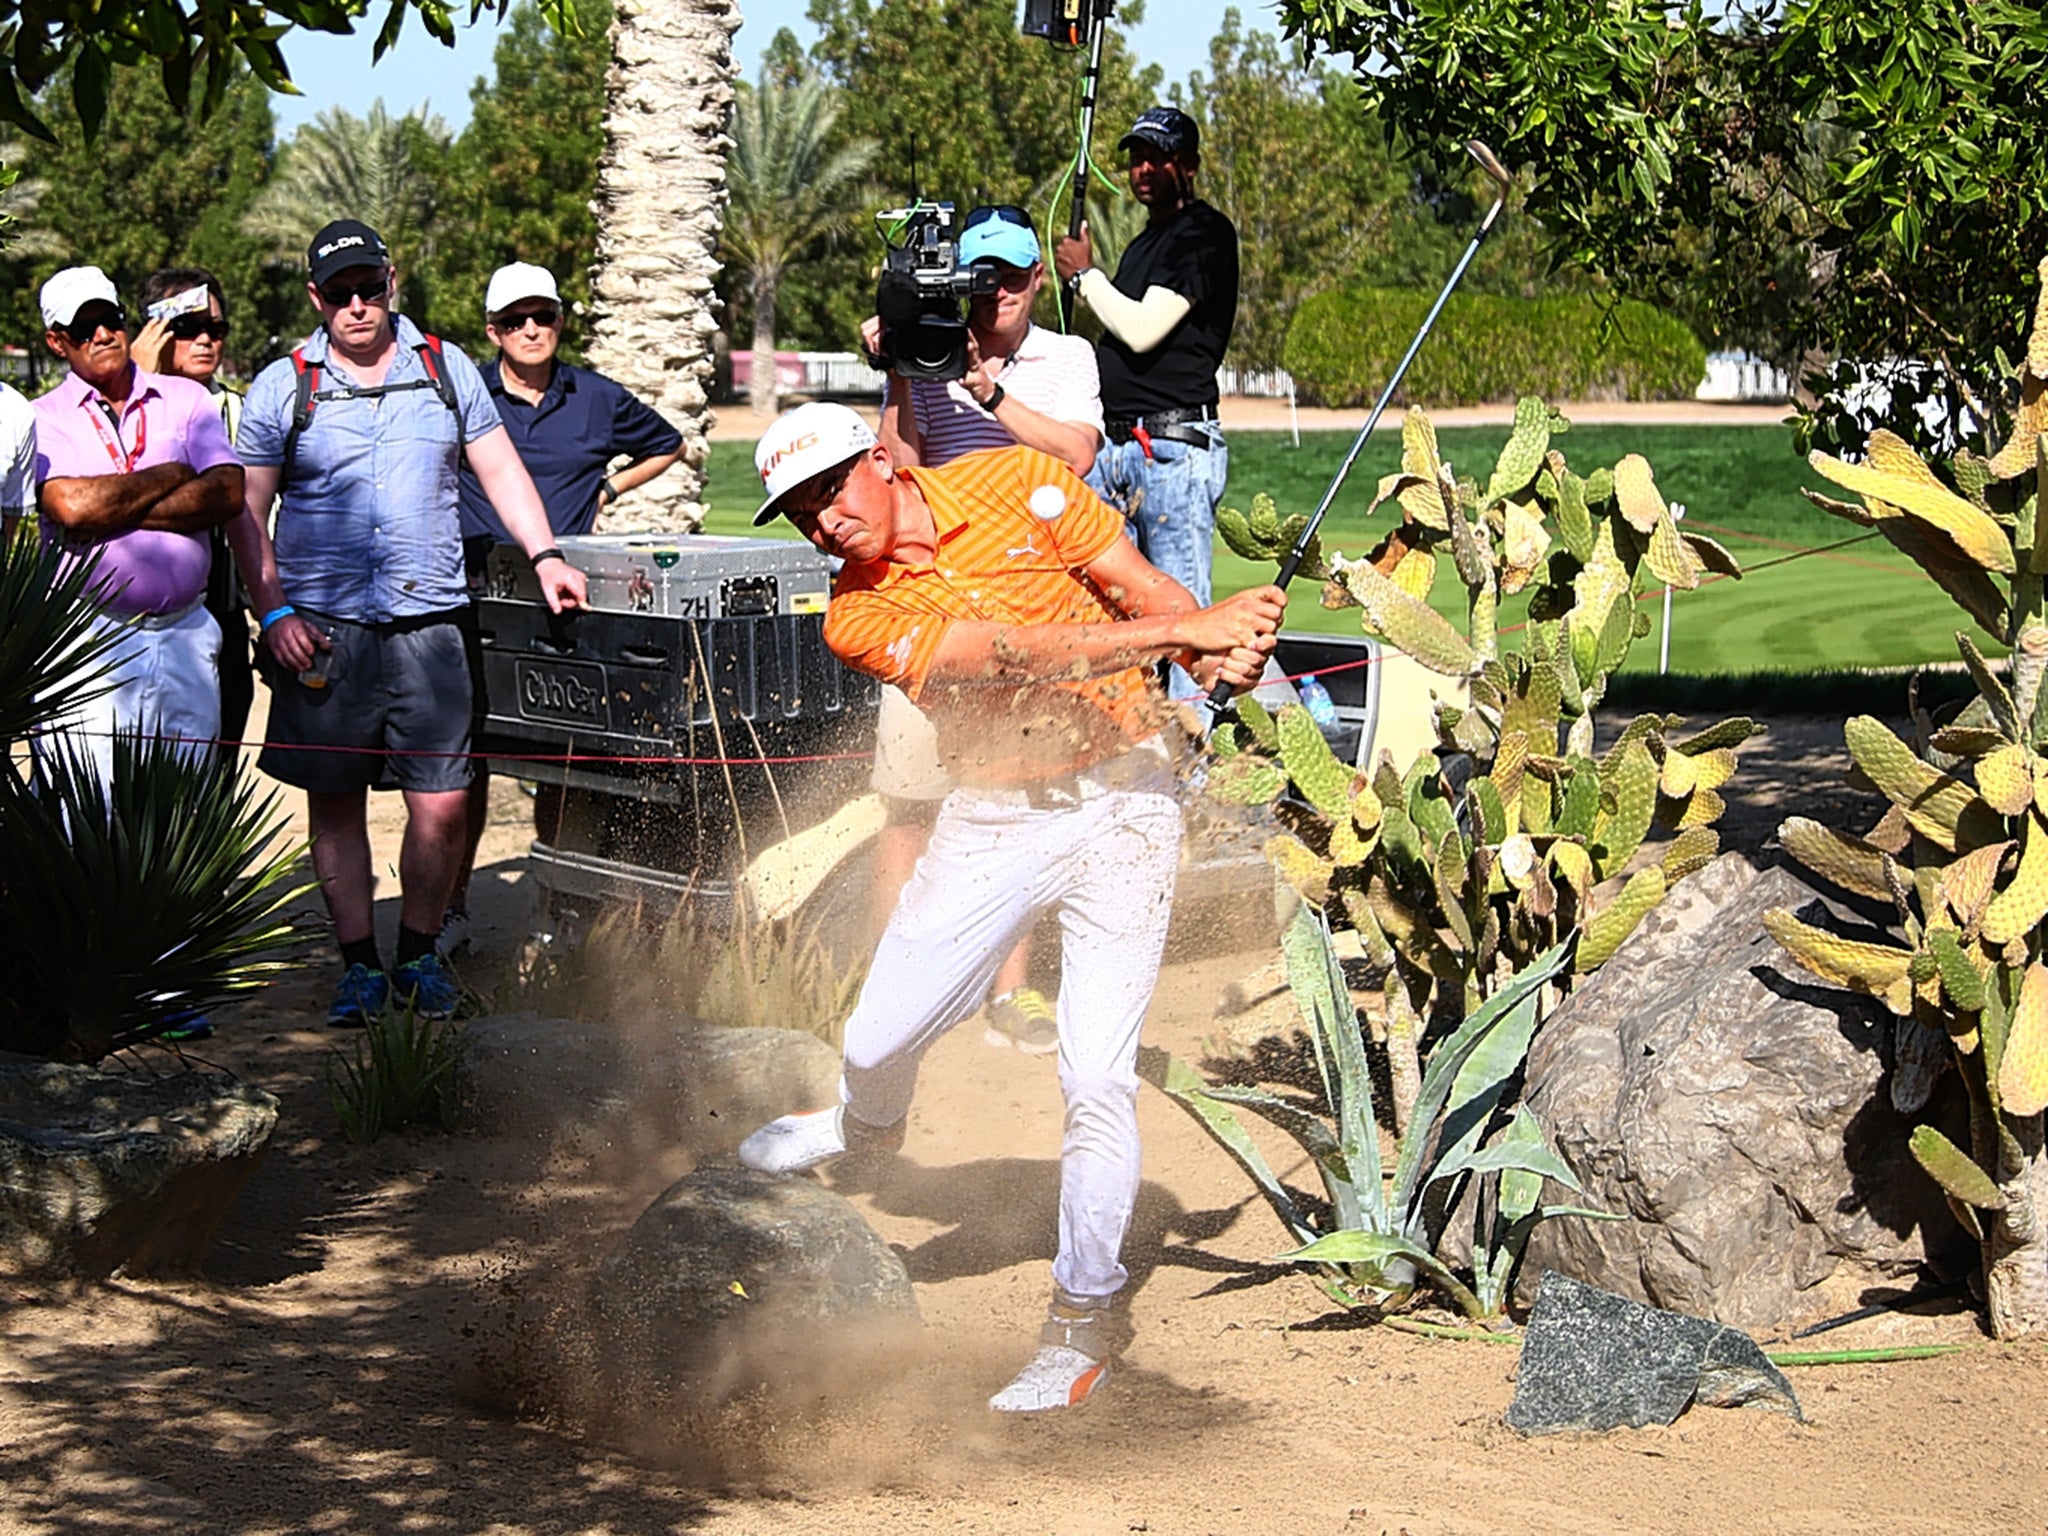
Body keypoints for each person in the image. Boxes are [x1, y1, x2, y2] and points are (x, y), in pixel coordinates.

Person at [736, 401, 1285, 1413]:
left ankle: (1080, 1318)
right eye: (799, 513)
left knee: (1095, 1076)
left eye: (827, 491)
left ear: (881, 459)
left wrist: (1218, 654)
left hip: (1127, 800)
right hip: (992, 820)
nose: (821, 522)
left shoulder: (1006, 482)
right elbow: (1003, 654)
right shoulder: (854, 616)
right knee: (873, 1040)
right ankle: (865, 1130)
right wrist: (1182, 630)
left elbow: (1135, 587)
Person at [225, 221, 588, 1028]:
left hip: (430, 622)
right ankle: (359, 964)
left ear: (391, 280)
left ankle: (420, 954)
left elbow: (499, 469)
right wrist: (273, 609)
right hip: (322, 631)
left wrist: (547, 555)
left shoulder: (445, 367)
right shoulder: (284, 384)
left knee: (444, 802)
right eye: (339, 293)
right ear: (316, 298)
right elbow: (246, 513)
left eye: (369, 287)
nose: (357, 306)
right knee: (336, 798)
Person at [863, 205, 1107, 1053]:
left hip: (1030, 608)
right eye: (980, 277)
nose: (994, 293)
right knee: (910, 805)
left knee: (1020, 796)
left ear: (1037, 277)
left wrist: (986, 388)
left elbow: (1073, 457)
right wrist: (902, 366)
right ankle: (898, 987)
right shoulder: (927, 347)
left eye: (1009, 276)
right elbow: (896, 471)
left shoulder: (1065, 356)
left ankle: (1010, 992)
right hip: (935, 604)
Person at [443, 260, 684, 955]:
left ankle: (560, 907)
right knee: (469, 764)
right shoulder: (463, 395)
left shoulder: (596, 396)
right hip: (476, 589)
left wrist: (608, 490)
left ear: (558, 321)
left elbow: (667, 444)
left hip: (561, 597)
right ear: (493, 331)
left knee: (568, 762)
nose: (530, 330)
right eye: (514, 320)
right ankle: (452, 908)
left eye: (542, 316)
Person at [31, 265, 244, 788]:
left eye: (110, 319)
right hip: (91, 638)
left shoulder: (186, 400)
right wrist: (172, 473)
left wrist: (114, 503)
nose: (102, 335)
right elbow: (71, 507)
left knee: (182, 810)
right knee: (86, 809)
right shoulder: (43, 417)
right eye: (84, 328)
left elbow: (227, 492)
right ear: (58, 343)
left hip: (185, 634)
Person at [1055, 106, 1239, 630]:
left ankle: (1192, 714)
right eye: (1137, 159)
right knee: (1115, 608)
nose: (1144, 169)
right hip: (1119, 447)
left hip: (1169, 446)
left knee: (1179, 608)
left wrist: (1086, 276)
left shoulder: (1202, 234)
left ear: (1190, 164)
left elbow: (1142, 330)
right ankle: (1134, 712)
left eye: (1159, 158)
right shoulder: (1144, 243)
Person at [134, 266, 252, 762]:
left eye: (217, 329)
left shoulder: (242, 413)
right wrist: (143, 379)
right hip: (136, 624)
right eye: (188, 328)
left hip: (223, 623)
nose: (206, 340)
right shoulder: (120, 405)